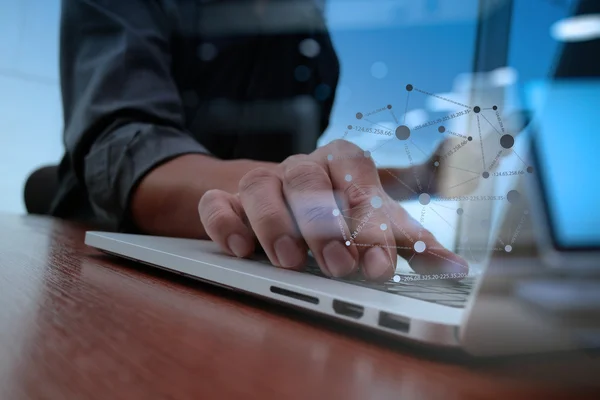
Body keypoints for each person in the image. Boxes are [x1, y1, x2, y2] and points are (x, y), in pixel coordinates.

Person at [50, 0, 468, 282]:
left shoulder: (312, 44)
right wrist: (276, 188)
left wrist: (419, 178)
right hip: (99, 256)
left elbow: (298, 172)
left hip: (254, 260)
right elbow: (126, 146)